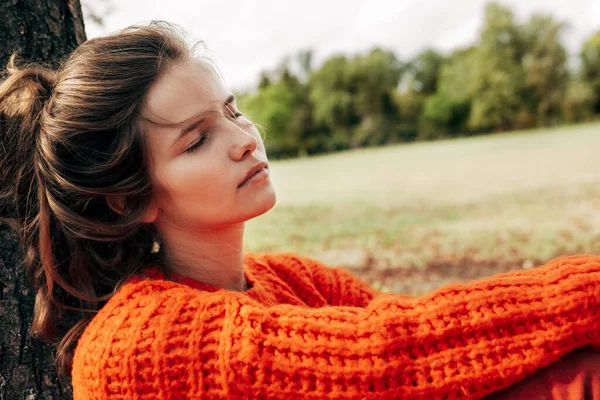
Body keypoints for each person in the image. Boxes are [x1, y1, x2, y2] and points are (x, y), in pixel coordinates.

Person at [0, 21, 599, 400]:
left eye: (232, 112)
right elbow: (390, 358)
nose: (244, 138)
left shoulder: (288, 279)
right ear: (130, 198)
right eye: (197, 139)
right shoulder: (138, 344)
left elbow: (427, 331)